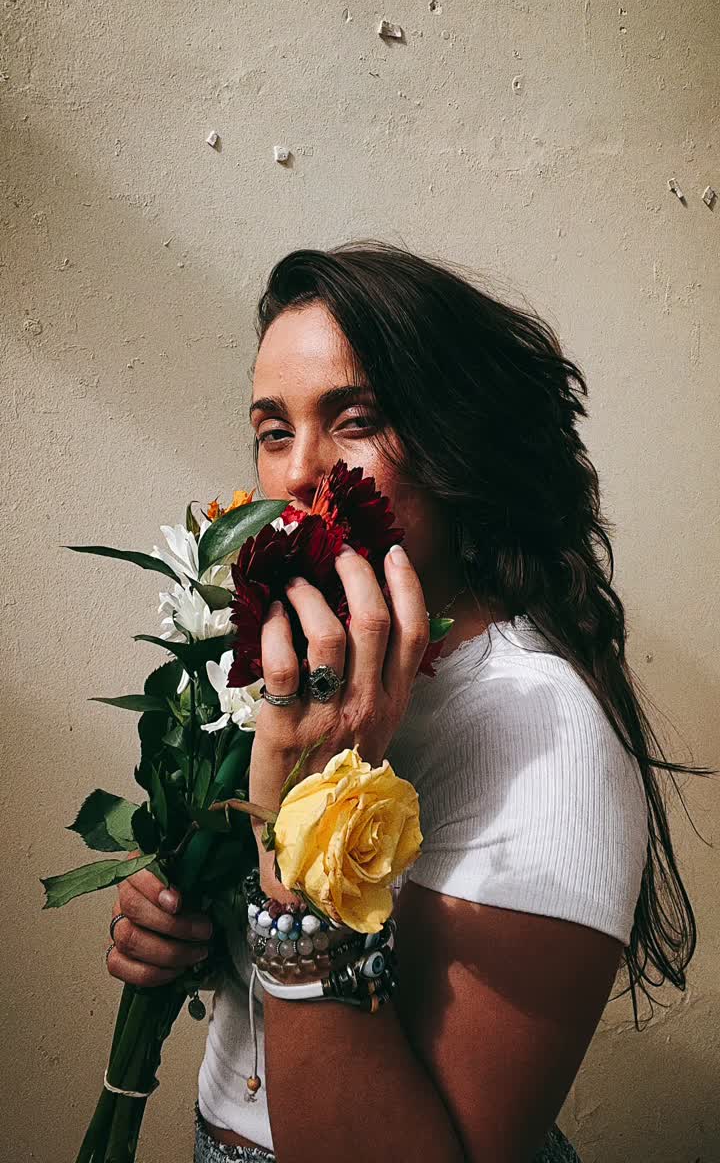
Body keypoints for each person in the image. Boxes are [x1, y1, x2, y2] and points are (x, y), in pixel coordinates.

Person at [106, 241, 704, 1163]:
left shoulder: (545, 744)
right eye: (274, 431)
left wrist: (297, 846)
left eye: (356, 421)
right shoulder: (310, 667)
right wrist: (187, 920)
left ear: (457, 445)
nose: (297, 476)